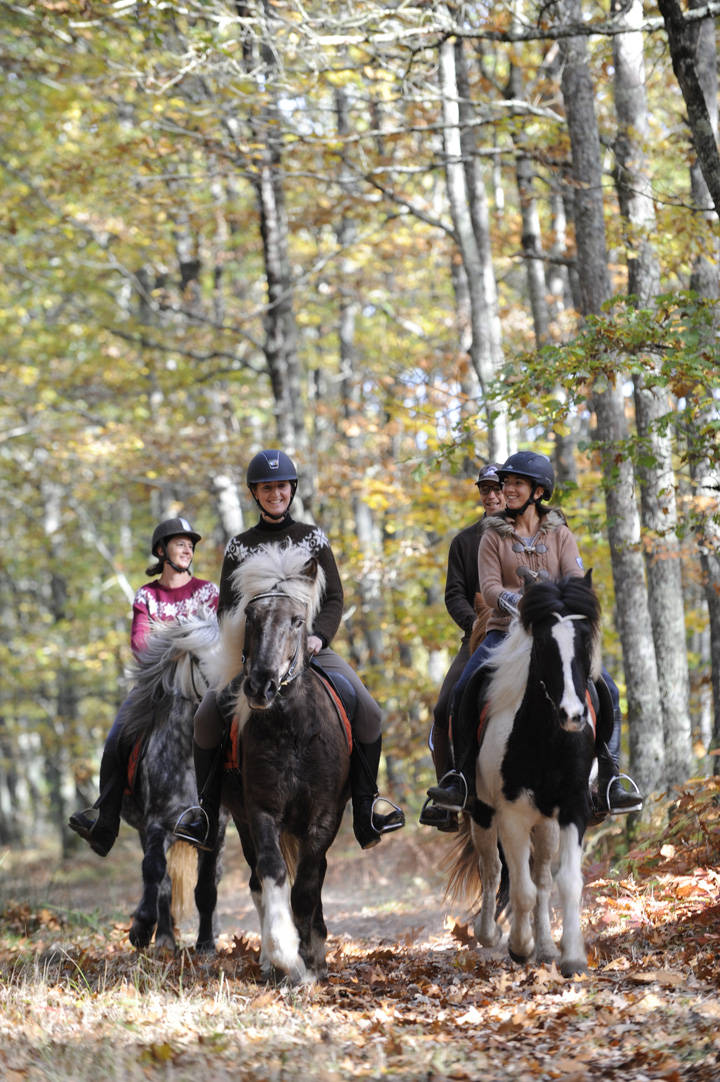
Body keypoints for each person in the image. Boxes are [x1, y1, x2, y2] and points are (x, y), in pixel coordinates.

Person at [173, 449, 406, 852]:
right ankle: (206, 816)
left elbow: (334, 596)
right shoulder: (239, 547)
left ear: (291, 489)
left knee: (368, 711)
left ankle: (367, 810)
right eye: (267, 488)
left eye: (282, 486)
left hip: (310, 648)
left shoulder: (312, 538)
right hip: (255, 654)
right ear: (255, 494)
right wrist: (247, 650)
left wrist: (320, 637)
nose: (275, 493)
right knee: (206, 719)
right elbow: (227, 608)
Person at [425, 450, 643, 819]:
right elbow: (490, 586)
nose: (506, 489)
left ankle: (610, 776)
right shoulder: (489, 536)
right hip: (503, 630)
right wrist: (513, 603)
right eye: (504, 483)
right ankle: (459, 778)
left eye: (514, 483)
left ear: (538, 491)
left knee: (607, 687)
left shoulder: (560, 533)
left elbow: (575, 580)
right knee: (461, 689)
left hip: (553, 633)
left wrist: (555, 604)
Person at [69, 518, 219, 856]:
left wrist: (172, 638)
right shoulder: (146, 595)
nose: (188, 549)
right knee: (117, 736)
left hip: (202, 685)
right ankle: (105, 821)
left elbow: (216, 639)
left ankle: (252, 808)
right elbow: (140, 644)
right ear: (161, 550)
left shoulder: (208, 591)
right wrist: (182, 642)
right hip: (158, 686)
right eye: (180, 543)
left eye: (190, 544)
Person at [419, 463, 506, 832]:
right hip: (480, 635)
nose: (491, 495)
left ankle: (596, 781)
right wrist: (474, 624)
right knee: (442, 710)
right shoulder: (465, 541)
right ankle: (450, 792)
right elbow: (454, 593)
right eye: (484, 490)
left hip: (530, 632)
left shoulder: (529, 536)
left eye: (497, 488)